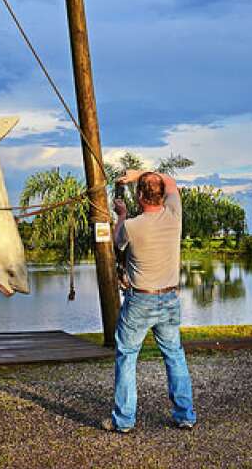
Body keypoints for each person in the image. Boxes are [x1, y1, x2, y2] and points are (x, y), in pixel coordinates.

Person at [103, 169, 196, 433]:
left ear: (140, 196)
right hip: (169, 299)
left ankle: (123, 421)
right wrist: (140, 174)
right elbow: (171, 182)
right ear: (161, 196)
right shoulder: (174, 217)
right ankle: (184, 415)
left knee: (127, 356)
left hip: (140, 301)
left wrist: (121, 215)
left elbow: (116, 242)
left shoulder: (131, 226)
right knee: (174, 356)